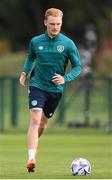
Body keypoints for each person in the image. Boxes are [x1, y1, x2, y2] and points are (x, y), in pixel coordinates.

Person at [19, 8, 81, 173]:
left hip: (55, 90)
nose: (55, 27)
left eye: (58, 24)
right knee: (34, 119)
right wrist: (25, 73)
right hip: (37, 84)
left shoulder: (68, 44)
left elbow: (77, 67)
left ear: (61, 23)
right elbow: (31, 57)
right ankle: (31, 158)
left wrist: (65, 78)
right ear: (45, 23)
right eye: (52, 24)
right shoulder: (36, 41)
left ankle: (35, 144)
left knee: (43, 123)